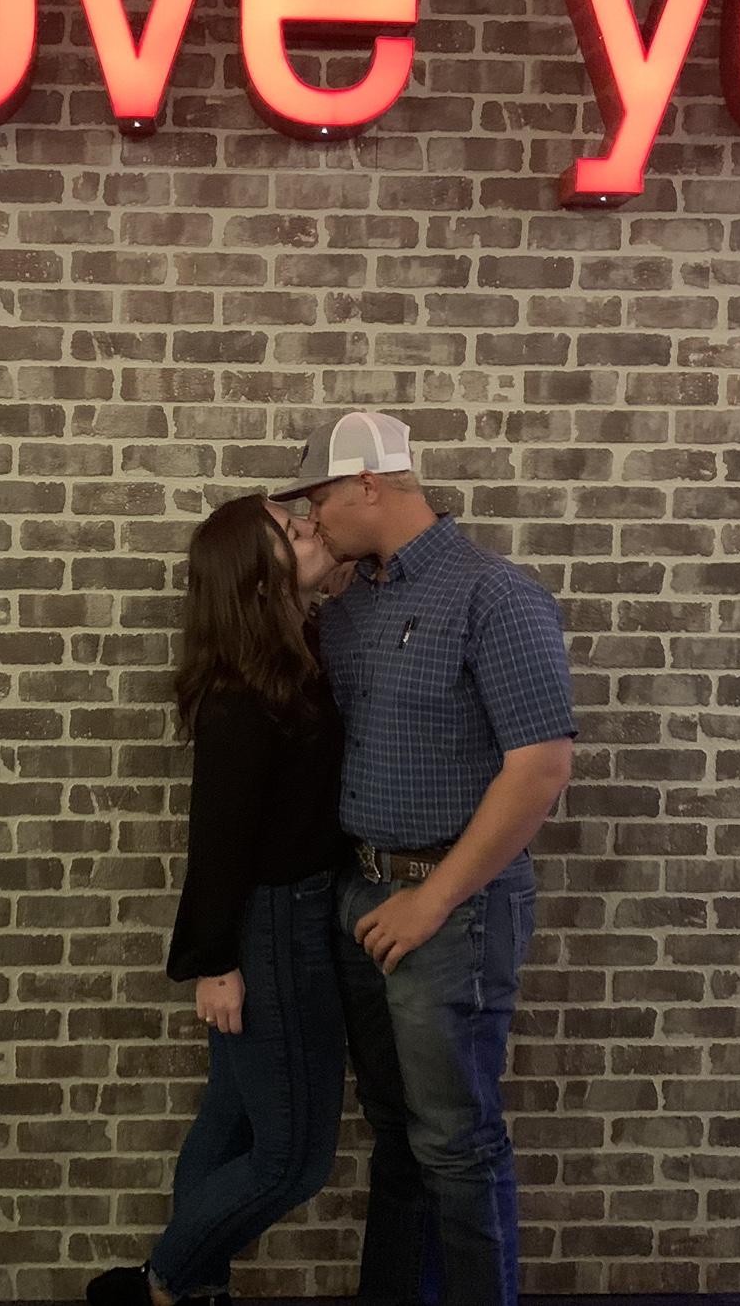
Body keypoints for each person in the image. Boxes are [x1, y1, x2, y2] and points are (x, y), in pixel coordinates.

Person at [272, 410, 576, 1306]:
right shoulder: (350, 606)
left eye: (319, 498)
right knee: (396, 1133)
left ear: (369, 483)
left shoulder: (495, 596)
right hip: (361, 894)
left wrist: (433, 899)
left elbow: (541, 766)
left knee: (456, 1142)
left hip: (452, 909)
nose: (312, 518)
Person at [86, 494, 353, 1306]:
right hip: (274, 929)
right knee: (293, 1160)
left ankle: (193, 1290)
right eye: (292, 529)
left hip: (291, 918)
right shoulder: (245, 694)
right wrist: (216, 963)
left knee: (231, 1117)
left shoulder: (295, 656)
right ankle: (158, 1284)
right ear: (258, 579)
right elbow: (218, 838)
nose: (312, 527)